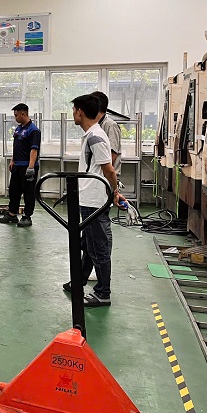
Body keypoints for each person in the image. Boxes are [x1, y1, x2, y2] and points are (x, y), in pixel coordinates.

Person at [65, 94, 127, 308]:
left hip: (94, 200)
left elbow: (109, 169)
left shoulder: (96, 136)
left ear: (80, 112)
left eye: (74, 110)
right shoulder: (92, 134)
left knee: (98, 246)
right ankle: (84, 282)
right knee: (91, 245)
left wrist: (115, 192)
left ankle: (103, 293)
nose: (73, 114)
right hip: (89, 198)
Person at [0, 103, 40, 227]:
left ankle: (27, 217)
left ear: (23, 114)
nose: (15, 118)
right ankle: (12, 214)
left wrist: (31, 167)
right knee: (14, 190)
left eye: (16, 115)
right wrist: (12, 160)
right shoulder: (18, 129)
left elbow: (34, 150)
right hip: (17, 165)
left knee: (28, 192)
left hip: (27, 166)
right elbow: (17, 146)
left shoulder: (33, 130)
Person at [91, 91, 122, 178]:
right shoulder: (96, 124)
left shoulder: (110, 125)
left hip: (108, 177)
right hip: (99, 176)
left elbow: (112, 155)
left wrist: (106, 173)